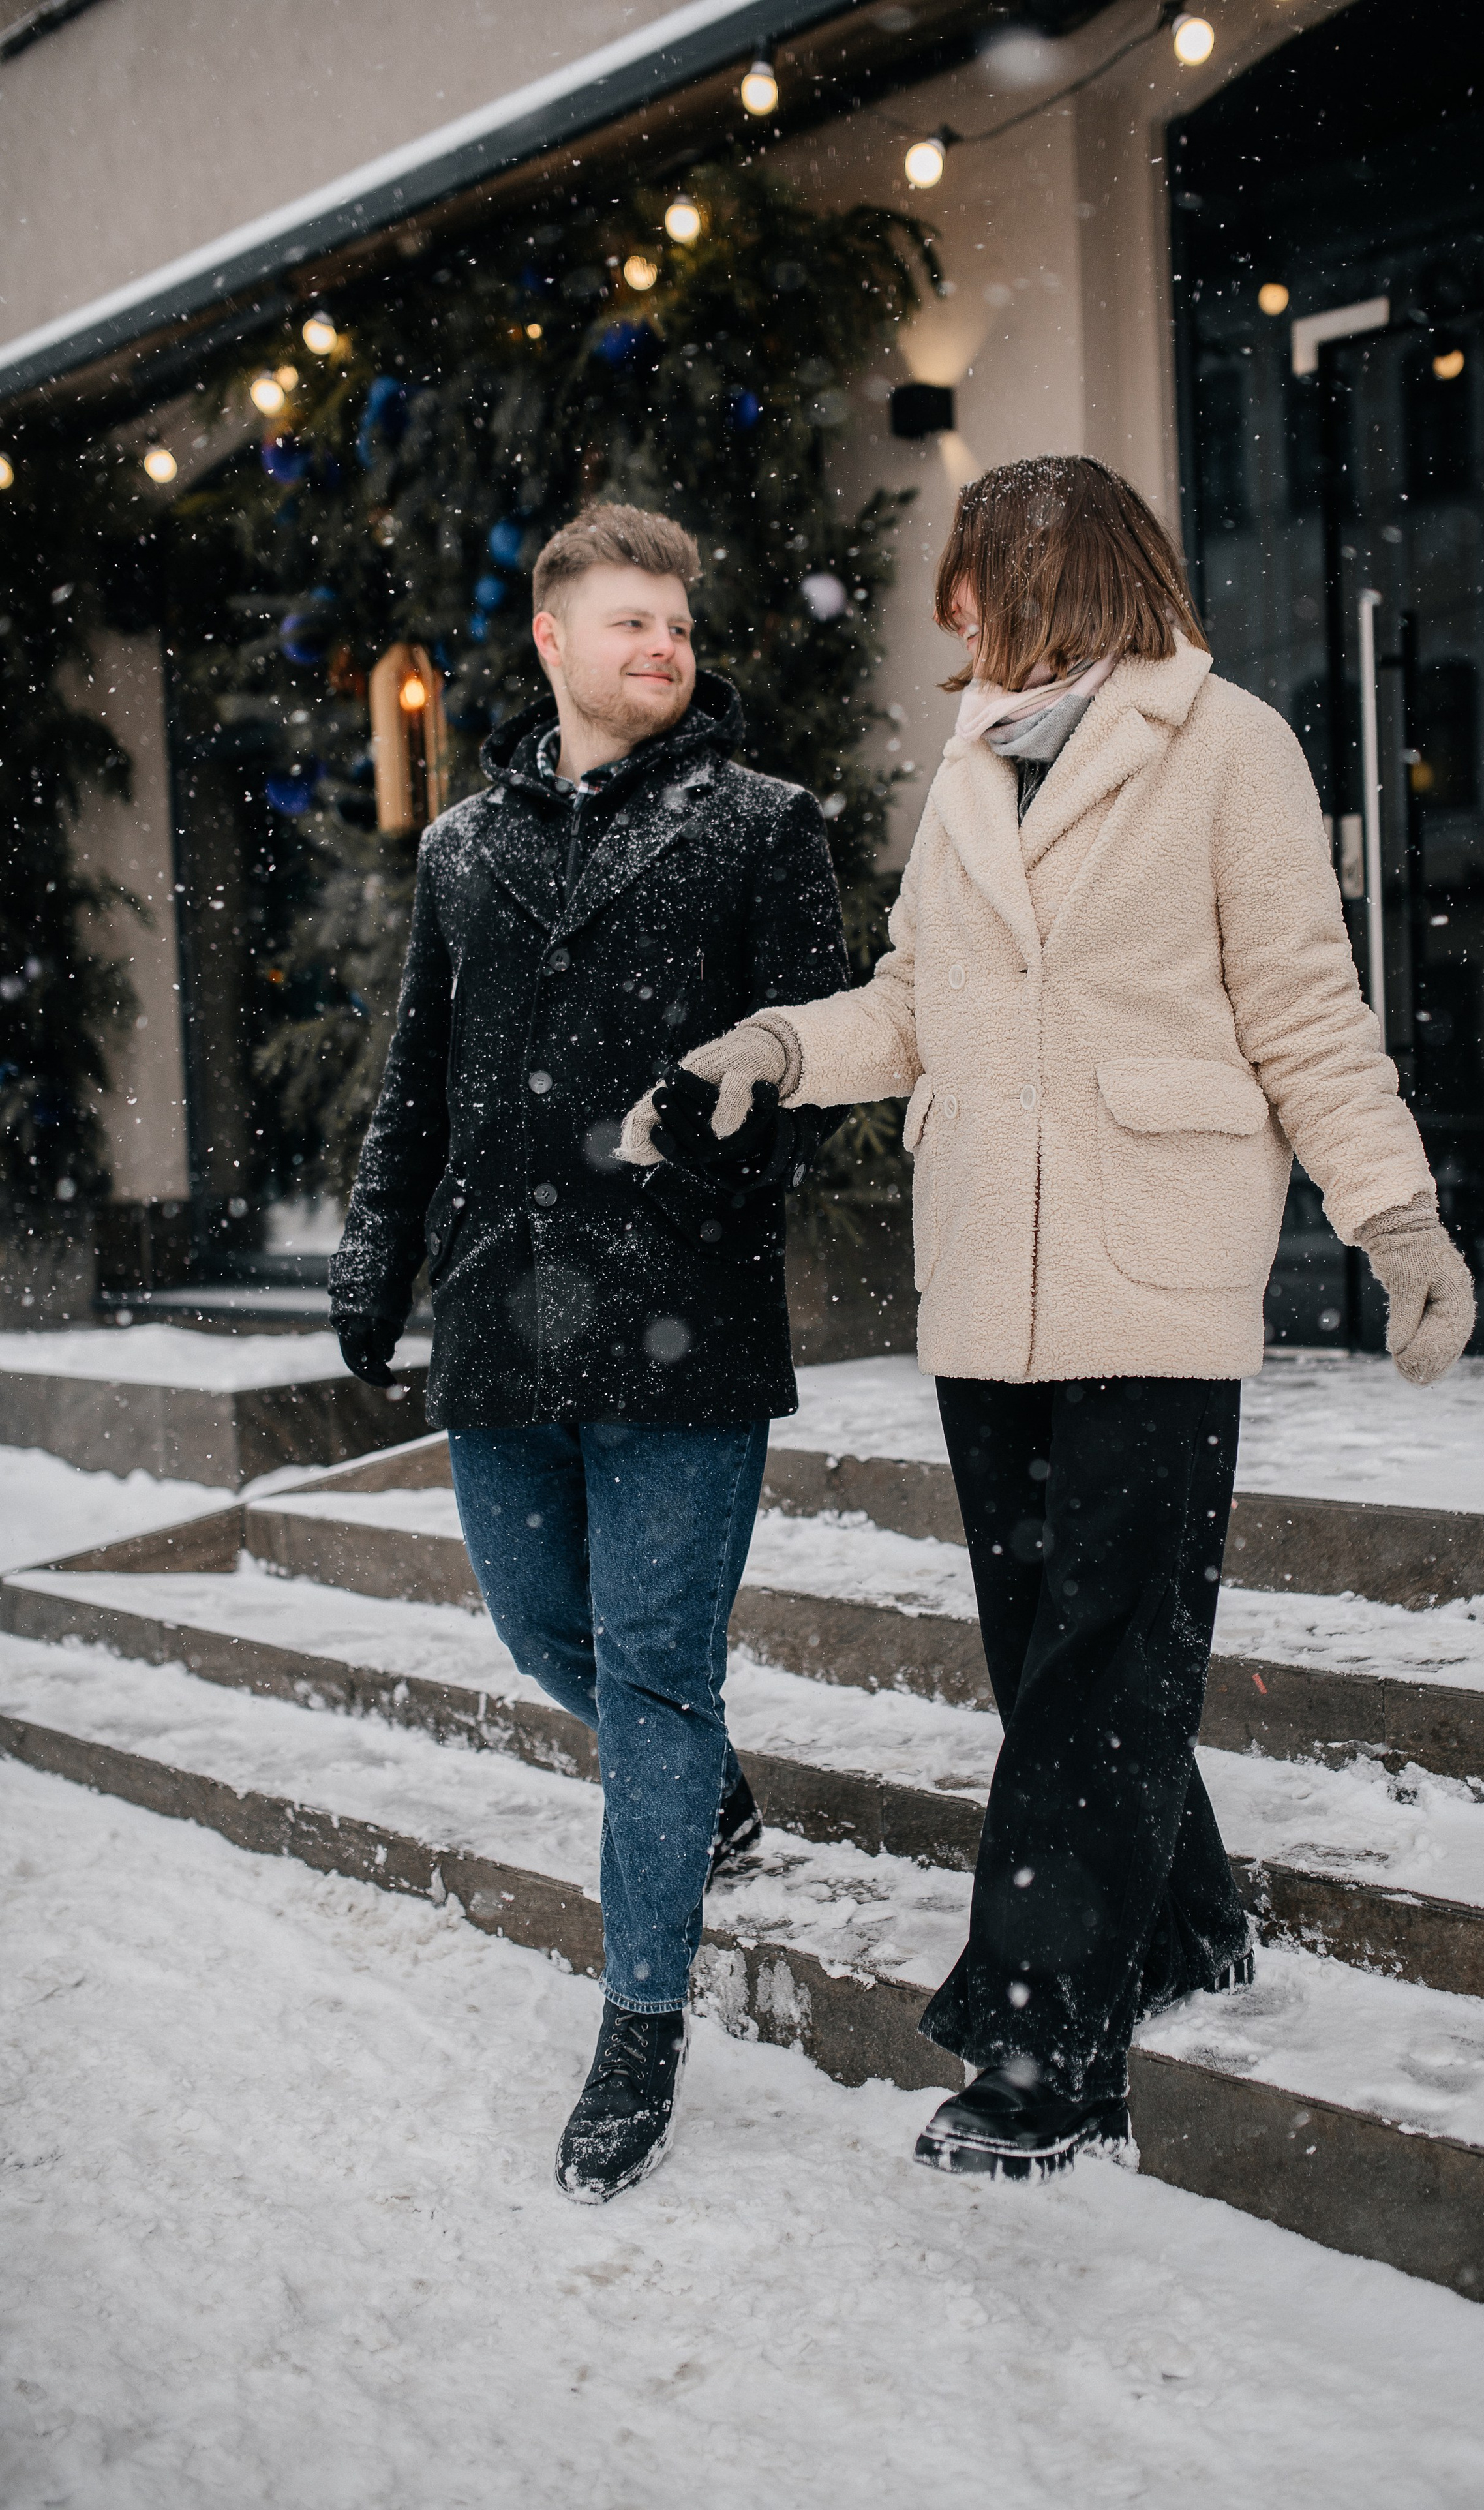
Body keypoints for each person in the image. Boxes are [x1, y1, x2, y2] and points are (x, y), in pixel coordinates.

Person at [622, 455, 1474, 2181]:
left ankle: (1048, 2045)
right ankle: (1184, 1926)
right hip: (990, 1286)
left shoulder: (1226, 749)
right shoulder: (975, 767)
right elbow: (917, 1005)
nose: (954, 627)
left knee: (1106, 1651)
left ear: (1042, 576)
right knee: (1057, 1652)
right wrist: (778, 1049)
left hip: (1151, 1263)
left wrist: (1397, 1216)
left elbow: (1304, 1011)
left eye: (971, 593)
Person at [331, 502, 847, 2201]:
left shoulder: (762, 827)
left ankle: (640, 2021)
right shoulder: (463, 849)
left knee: (651, 1672)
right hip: (501, 1307)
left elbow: (823, 1063)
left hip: (681, 1315)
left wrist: (717, 1142)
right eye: (627, 622)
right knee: (543, 1624)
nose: (662, 647)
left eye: (677, 624)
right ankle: (701, 1792)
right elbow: (417, 1076)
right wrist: (373, 1248)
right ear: (550, 641)